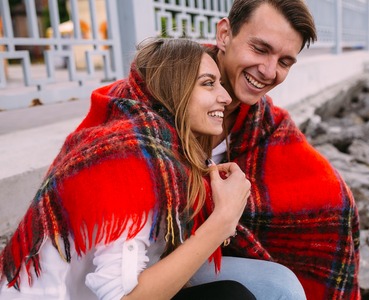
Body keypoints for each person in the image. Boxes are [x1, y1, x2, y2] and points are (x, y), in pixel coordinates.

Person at [0, 38, 262, 299]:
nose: (226, 97)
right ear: (173, 91)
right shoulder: (132, 163)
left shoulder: (161, 149)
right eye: (208, 83)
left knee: (268, 286)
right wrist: (222, 221)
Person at [190, 0, 361, 299]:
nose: (269, 72)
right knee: (281, 288)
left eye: (284, 62)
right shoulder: (168, 88)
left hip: (206, 253)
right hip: (140, 259)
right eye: (260, 49)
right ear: (225, 34)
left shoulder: (265, 122)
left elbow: (333, 199)